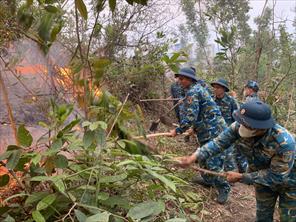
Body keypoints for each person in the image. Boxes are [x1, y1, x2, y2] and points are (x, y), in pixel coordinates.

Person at [176, 100, 296, 222]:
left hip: (290, 183)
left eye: (247, 125)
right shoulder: (239, 127)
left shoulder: (284, 143)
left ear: (260, 128)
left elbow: (277, 176)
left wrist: (241, 177)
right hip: (260, 179)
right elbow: (218, 143)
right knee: (263, 214)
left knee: (288, 218)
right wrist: (194, 157)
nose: (242, 127)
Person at [169, 67, 231, 204]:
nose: (180, 81)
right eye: (179, 78)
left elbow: (191, 116)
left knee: (213, 161)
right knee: (203, 158)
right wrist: (193, 129)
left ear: (190, 79)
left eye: (182, 78)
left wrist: (178, 130)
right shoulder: (192, 90)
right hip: (205, 129)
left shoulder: (194, 91)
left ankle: (224, 187)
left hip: (214, 130)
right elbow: (198, 114)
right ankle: (208, 180)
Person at [210, 78, 239, 171]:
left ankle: (232, 176)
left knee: (229, 155)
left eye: (218, 87)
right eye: (214, 87)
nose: (215, 89)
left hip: (227, 132)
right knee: (214, 153)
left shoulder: (231, 101)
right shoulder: (210, 100)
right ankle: (215, 174)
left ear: (223, 89)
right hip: (213, 131)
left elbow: (237, 118)